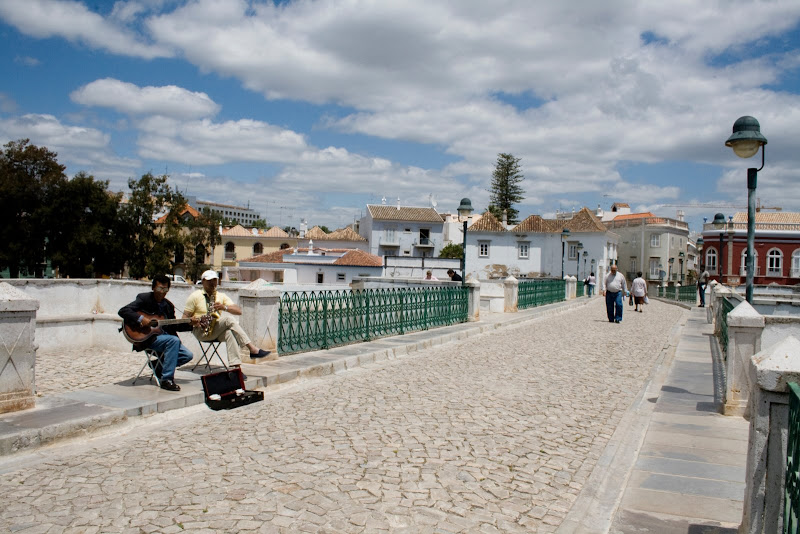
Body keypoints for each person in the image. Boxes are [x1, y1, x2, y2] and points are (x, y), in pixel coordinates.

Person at [119, 275, 195, 391]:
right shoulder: (144, 299)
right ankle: (167, 379)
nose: (162, 292)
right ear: (153, 288)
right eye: (160, 289)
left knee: (187, 355)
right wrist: (141, 319)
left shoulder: (168, 306)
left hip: (165, 338)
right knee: (173, 341)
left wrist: (191, 323)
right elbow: (123, 311)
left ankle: (158, 366)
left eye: (165, 290)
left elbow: (174, 326)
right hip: (147, 338)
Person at [183, 270, 271, 370]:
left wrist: (224, 307)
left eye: (214, 280)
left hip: (214, 329)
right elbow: (184, 318)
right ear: (203, 281)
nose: (212, 283)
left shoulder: (221, 296)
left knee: (230, 333)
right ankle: (252, 349)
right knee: (228, 319)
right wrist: (194, 321)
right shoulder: (195, 296)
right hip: (200, 330)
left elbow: (239, 311)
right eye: (209, 281)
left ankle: (236, 369)